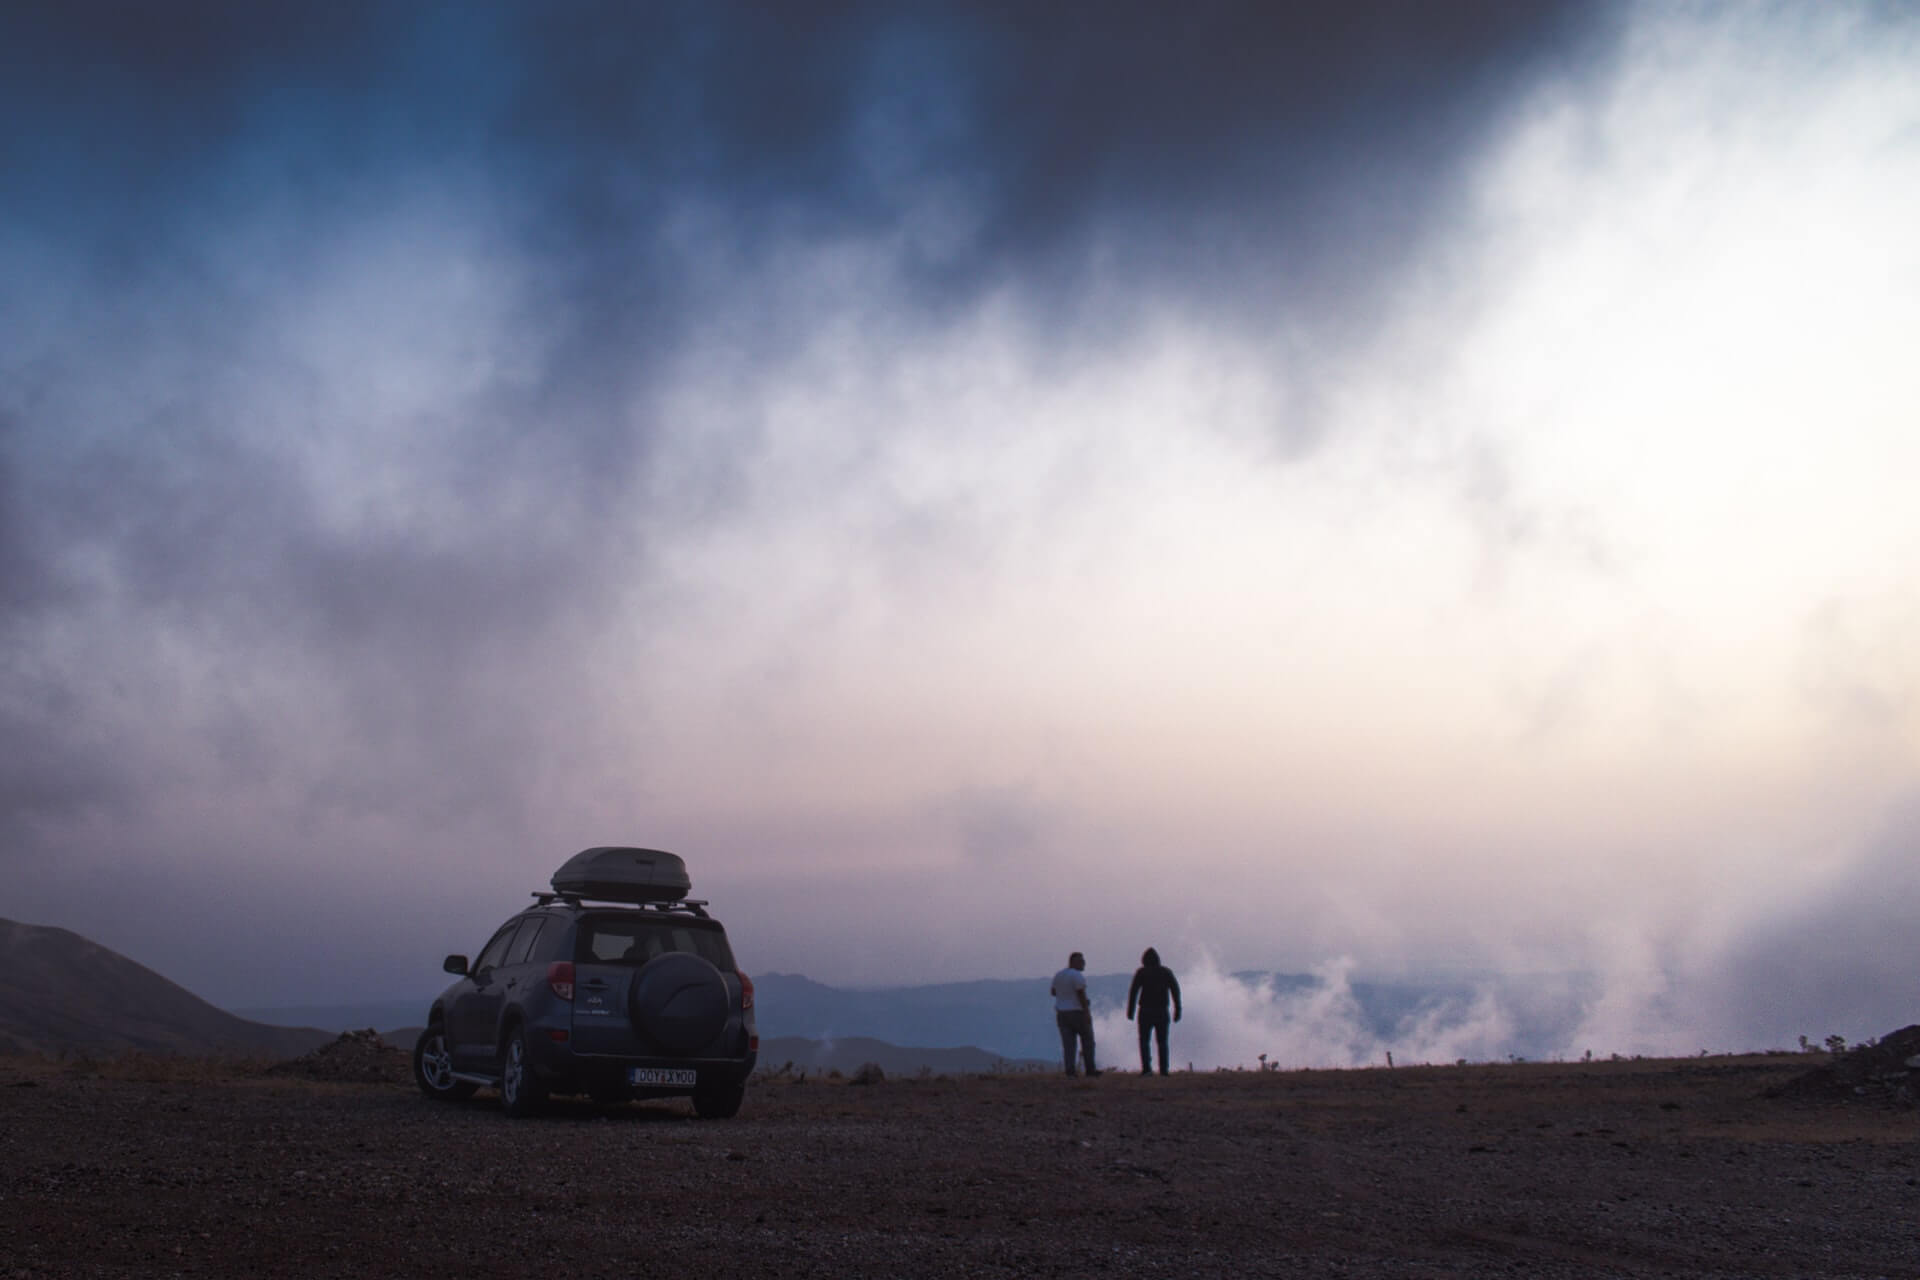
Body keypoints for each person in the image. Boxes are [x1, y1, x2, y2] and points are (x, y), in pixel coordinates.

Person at [1126, 947, 1182, 1076]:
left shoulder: (1141, 972)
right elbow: (1175, 991)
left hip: (1145, 1011)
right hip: (1162, 1011)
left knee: (1144, 1041)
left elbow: (1133, 992)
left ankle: (1147, 1069)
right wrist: (1177, 1009)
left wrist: (1131, 1011)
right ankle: (1164, 1070)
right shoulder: (1166, 972)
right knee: (1162, 1041)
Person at [1050, 951, 1099, 1077]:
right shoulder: (1077, 976)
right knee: (1087, 1040)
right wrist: (1086, 1012)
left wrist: (1064, 996)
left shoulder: (1059, 975)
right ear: (1073, 962)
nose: (1083, 963)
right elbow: (1081, 994)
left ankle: (1070, 1071)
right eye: (1081, 961)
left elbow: (1053, 992)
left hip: (1062, 1013)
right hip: (1077, 1013)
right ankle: (1090, 1070)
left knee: (1068, 1044)